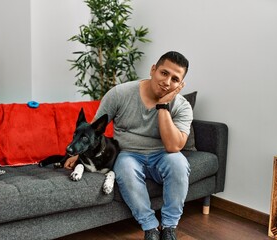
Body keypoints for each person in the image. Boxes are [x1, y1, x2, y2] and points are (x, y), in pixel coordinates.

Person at [64, 51, 192, 240]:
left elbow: (174, 147)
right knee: (123, 167)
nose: (167, 82)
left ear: (180, 85)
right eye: (164, 73)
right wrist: (80, 154)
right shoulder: (120, 94)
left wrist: (163, 106)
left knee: (179, 164)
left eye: (175, 79)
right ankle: (150, 228)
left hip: (163, 154)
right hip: (129, 154)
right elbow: (92, 131)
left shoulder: (182, 106)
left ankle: (169, 227)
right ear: (153, 69)